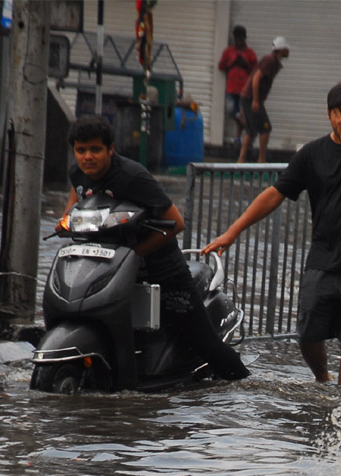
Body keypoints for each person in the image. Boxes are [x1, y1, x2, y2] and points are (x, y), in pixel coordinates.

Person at [202, 80, 341, 388]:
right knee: (307, 332)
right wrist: (232, 232)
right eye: (338, 114)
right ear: (328, 114)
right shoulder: (312, 153)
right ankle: (322, 379)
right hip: (322, 258)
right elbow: (275, 193)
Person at [60, 115, 250, 382]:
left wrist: (136, 254)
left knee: (202, 340)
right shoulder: (78, 173)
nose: (87, 157)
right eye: (81, 150)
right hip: (106, 265)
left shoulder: (132, 177)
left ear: (110, 149)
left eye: (95, 149)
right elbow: (73, 206)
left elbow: (176, 222)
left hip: (161, 269)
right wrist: (65, 222)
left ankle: (244, 384)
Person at [238, 36, 291, 164]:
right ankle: (261, 160)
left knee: (250, 130)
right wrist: (256, 101)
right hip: (251, 98)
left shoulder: (274, 61)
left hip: (248, 98)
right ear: (281, 49)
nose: (288, 51)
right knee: (265, 128)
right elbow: (256, 78)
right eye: (286, 48)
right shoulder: (270, 61)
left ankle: (241, 160)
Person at [217, 24, 256, 151]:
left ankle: (238, 139)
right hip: (231, 88)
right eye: (236, 38)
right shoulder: (229, 51)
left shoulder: (250, 53)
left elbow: (256, 70)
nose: (238, 41)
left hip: (244, 90)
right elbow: (221, 66)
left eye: (241, 38)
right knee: (232, 111)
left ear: (245, 38)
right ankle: (250, 129)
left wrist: (245, 65)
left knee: (241, 113)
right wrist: (233, 63)